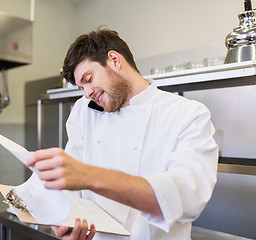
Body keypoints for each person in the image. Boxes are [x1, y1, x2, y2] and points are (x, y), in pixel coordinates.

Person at [26, 27, 218, 240]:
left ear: (114, 60)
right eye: (81, 87)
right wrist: (65, 221)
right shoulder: (83, 110)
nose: (87, 93)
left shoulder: (187, 113)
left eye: (88, 79)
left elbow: (189, 196)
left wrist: (89, 176)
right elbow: (71, 187)